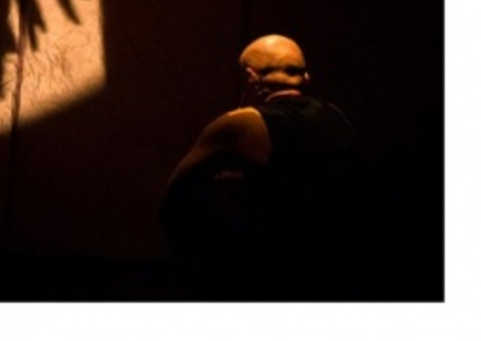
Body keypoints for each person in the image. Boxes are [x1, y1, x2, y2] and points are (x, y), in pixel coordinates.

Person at [160, 34, 373, 299]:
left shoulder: (243, 123)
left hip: (271, 279)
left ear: (250, 78)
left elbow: (176, 193)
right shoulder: (336, 117)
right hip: (341, 275)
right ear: (306, 78)